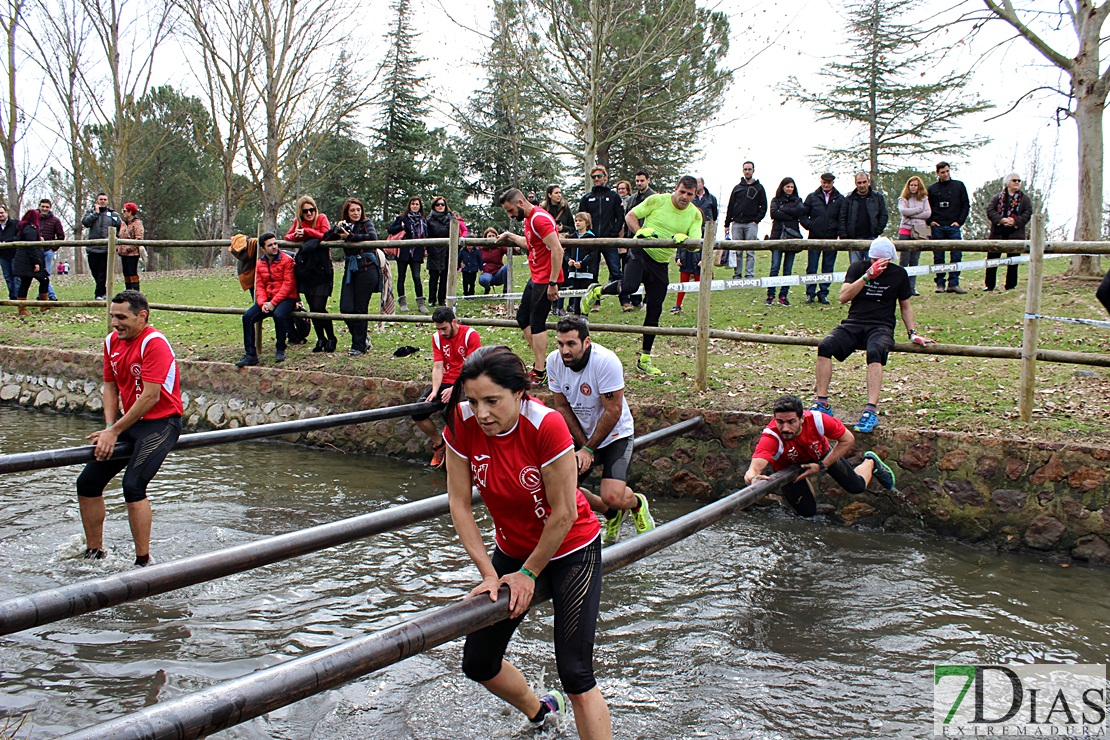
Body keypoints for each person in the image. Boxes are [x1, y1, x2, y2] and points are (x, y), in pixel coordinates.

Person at [442, 345, 610, 737]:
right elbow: (459, 503)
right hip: (513, 547)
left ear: (520, 393)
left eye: (493, 401)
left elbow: (564, 512)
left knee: (575, 673)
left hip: (572, 549)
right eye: (473, 400)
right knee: (478, 663)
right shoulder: (461, 423)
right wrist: (489, 574)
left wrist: (528, 574)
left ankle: (569, 701)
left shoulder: (545, 424)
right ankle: (541, 712)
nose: (482, 413)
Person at [76, 290, 182, 567]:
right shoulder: (111, 341)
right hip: (128, 423)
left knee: (133, 485)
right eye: (112, 316)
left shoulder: (154, 343)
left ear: (142, 316)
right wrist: (111, 427)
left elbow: (150, 396)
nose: (114, 323)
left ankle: (143, 561)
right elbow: (110, 387)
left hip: (161, 422)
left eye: (121, 317)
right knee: (87, 483)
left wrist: (114, 431)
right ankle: (94, 552)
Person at [548, 316, 654, 545]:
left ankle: (636, 504)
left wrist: (588, 448)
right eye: (560, 343)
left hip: (616, 433)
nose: (564, 351)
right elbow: (561, 407)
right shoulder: (553, 362)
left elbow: (613, 411)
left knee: (613, 496)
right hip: (581, 433)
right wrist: (582, 444)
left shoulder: (606, 361)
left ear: (586, 342)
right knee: (558, 489)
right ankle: (610, 514)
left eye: (571, 344)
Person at [583, 175, 703, 376]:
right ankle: (597, 291)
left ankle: (645, 358)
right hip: (641, 251)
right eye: (682, 192)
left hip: (661, 262)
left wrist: (687, 241)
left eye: (689, 194)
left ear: (694, 194)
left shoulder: (694, 214)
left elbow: (696, 241)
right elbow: (630, 215)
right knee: (629, 287)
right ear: (675, 188)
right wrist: (640, 231)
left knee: (655, 309)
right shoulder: (658, 200)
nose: (684, 197)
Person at [812, 237, 933, 434]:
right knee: (825, 346)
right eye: (874, 259)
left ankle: (870, 409)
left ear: (890, 259)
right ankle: (822, 403)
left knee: (875, 351)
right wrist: (867, 276)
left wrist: (913, 334)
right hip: (854, 323)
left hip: (881, 326)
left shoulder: (899, 274)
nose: (878, 264)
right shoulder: (858, 268)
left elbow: (905, 306)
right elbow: (843, 297)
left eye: (882, 261)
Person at [744, 394, 896, 517]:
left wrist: (822, 465)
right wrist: (754, 480)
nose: (785, 428)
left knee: (857, 487)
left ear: (802, 418)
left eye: (791, 422)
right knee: (807, 512)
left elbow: (847, 439)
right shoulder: (771, 436)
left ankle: (870, 462)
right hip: (789, 467)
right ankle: (804, 480)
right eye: (780, 422)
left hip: (821, 455)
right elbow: (752, 471)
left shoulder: (818, 420)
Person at [498, 188, 564, 384]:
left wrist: (553, 283)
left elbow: (558, 250)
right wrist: (509, 235)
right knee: (522, 317)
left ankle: (540, 370)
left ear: (519, 203)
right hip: (536, 276)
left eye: (510, 211)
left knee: (537, 322)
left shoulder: (539, 219)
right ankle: (541, 363)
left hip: (546, 278)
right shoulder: (529, 219)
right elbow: (531, 244)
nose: (510, 215)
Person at [414, 306, 481, 468]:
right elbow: (438, 367)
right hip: (447, 381)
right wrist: (435, 390)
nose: (442, 333)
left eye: (444, 328)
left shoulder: (470, 335)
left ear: (454, 322)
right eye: (438, 329)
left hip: (467, 381)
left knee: (449, 413)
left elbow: (472, 368)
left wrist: (455, 389)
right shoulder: (437, 338)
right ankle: (439, 444)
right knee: (418, 411)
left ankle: (461, 451)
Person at [236, 233, 298, 367]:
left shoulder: (287, 261)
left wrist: (273, 303)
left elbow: (288, 285)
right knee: (247, 317)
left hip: (287, 298)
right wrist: (263, 303)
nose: (274, 247)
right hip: (267, 300)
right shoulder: (260, 263)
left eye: (275, 243)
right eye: (270, 245)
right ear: (263, 248)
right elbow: (259, 285)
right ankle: (251, 355)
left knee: (279, 315)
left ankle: (280, 348)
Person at [285, 195, 336, 352]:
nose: (309, 213)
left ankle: (331, 338)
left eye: (311, 209)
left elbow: (325, 235)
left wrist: (307, 231)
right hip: (306, 269)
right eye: (305, 211)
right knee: (313, 308)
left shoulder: (321, 219)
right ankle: (320, 339)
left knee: (320, 307)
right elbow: (287, 236)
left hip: (322, 270)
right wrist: (296, 235)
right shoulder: (298, 223)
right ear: (300, 212)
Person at [334, 198, 382, 357]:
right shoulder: (344, 226)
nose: (355, 213)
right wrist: (337, 231)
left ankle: (358, 346)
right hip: (350, 270)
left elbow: (372, 237)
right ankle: (362, 338)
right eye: (352, 210)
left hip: (367, 269)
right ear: (347, 212)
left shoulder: (366, 223)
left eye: (358, 210)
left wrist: (350, 236)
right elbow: (329, 238)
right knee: (346, 308)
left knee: (360, 308)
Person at [578, 165, 624, 305]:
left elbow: (620, 216)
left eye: (599, 176)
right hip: (592, 240)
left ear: (605, 177)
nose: (596, 179)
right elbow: (582, 217)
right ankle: (595, 302)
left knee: (616, 270)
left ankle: (624, 301)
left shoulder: (614, 196)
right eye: (594, 177)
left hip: (609, 240)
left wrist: (614, 232)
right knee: (593, 273)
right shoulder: (587, 198)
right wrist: (587, 235)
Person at [926, 161, 970, 294]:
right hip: (938, 227)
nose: (946, 174)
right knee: (939, 256)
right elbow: (926, 207)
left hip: (953, 226)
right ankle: (940, 283)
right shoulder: (932, 189)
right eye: (942, 172)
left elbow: (965, 205)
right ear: (937, 173)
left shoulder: (959, 186)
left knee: (956, 254)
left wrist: (959, 222)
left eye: (947, 171)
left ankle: (954, 283)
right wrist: (931, 221)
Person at [985, 173, 1032, 292]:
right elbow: (990, 210)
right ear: (1007, 183)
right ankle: (989, 285)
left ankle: (1010, 286)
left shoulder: (1024, 199)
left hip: (1015, 234)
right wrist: (1001, 220)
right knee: (992, 260)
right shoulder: (997, 198)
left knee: (1013, 261)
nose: (1017, 182)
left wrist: (1015, 221)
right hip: (998, 233)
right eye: (1014, 180)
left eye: (1019, 180)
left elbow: (1027, 213)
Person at [800, 173, 843, 305]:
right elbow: (803, 214)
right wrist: (810, 226)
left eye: (828, 182)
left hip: (831, 237)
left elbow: (842, 217)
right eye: (824, 182)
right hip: (815, 237)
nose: (826, 184)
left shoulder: (840, 198)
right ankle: (810, 293)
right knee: (812, 266)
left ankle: (823, 293)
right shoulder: (812, 197)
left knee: (828, 266)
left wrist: (838, 231)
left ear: (832, 183)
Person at [724, 161, 767, 279]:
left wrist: (756, 220)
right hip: (737, 223)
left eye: (749, 169)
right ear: (743, 171)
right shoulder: (737, 188)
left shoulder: (759, 188)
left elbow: (763, 206)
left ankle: (749, 275)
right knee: (737, 251)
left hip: (751, 224)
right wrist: (727, 224)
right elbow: (731, 205)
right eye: (745, 169)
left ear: (753, 171)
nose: (747, 171)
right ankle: (737, 274)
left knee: (750, 251)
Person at [387, 196, 430, 314]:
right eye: (413, 204)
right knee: (402, 277)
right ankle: (402, 302)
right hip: (403, 251)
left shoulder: (423, 220)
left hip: (417, 252)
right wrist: (401, 226)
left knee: (417, 277)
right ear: (409, 205)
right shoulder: (402, 218)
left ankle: (421, 303)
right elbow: (390, 230)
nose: (415, 206)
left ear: (420, 206)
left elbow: (427, 235)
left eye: (417, 204)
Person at [766, 177, 805, 306]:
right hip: (777, 236)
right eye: (787, 186)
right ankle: (770, 295)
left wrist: (783, 211)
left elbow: (800, 211)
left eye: (792, 187)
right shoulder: (775, 200)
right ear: (782, 187)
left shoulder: (798, 200)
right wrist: (790, 213)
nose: (789, 189)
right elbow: (774, 213)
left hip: (792, 237)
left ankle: (783, 295)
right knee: (775, 267)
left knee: (787, 269)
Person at [839, 172, 888, 263]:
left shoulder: (878, 197)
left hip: (872, 239)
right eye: (859, 182)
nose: (862, 185)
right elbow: (842, 217)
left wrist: (878, 231)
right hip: (854, 239)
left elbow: (883, 215)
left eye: (864, 182)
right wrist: (844, 235)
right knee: (855, 267)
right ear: (855, 183)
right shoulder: (849, 199)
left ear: (868, 182)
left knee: (872, 268)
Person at [81, 193, 121, 300]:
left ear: (107, 201)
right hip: (92, 248)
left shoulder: (113, 214)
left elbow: (120, 226)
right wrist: (96, 214)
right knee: (95, 271)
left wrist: (116, 239)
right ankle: (102, 291)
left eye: (104, 199)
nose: (103, 201)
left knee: (103, 272)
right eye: (101, 199)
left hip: (106, 249)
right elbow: (85, 223)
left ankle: (98, 294)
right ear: (97, 201)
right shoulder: (90, 212)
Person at [896, 176, 931, 296]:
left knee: (914, 260)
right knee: (904, 260)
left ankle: (912, 288)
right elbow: (903, 211)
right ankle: (901, 287)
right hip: (905, 229)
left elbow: (927, 213)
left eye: (915, 185)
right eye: (911, 185)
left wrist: (912, 214)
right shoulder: (903, 199)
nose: (913, 187)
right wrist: (918, 210)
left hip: (920, 229)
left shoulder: (924, 198)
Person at [13, 209, 50, 316]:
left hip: (25, 261)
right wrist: (36, 262)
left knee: (26, 283)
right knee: (43, 280)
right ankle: (40, 305)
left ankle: (23, 308)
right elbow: (31, 247)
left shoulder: (23, 227)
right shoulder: (30, 228)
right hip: (28, 262)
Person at [564, 212, 598, 315]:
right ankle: (576, 315)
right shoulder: (571, 237)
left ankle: (584, 315)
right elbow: (566, 252)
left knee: (584, 295)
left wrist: (582, 263)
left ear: (587, 223)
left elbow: (593, 254)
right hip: (573, 272)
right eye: (576, 221)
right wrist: (569, 260)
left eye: (580, 221)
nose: (577, 223)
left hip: (586, 272)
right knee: (575, 295)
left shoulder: (591, 237)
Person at [425, 196, 454, 308]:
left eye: (442, 204)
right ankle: (432, 299)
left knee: (445, 277)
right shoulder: (429, 220)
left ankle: (442, 299)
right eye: (438, 204)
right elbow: (427, 236)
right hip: (434, 250)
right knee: (434, 276)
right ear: (434, 206)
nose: (440, 206)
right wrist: (428, 249)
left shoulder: (450, 218)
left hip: (447, 251)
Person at [38, 199, 65, 301]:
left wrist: (52, 248)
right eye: (43, 206)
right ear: (39, 206)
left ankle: (51, 296)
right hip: (35, 251)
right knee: (38, 275)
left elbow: (61, 236)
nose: (44, 209)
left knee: (45, 275)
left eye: (47, 207)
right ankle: (43, 295)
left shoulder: (55, 220)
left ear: (50, 208)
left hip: (47, 251)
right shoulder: (35, 219)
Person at [116, 203, 145, 293]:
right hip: (123, 253)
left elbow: (139, 238)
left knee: (132, 273)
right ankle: (128, 291)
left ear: (130, 212)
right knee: (126, 273)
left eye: (124, 211)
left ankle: (136, 291)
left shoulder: (137, 224)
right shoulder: (124, 224)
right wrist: (118, 247)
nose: (123, 213)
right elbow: (119, 235)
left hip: (132, 253)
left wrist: (129, 248)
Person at [479, 226, 509, 294]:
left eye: (493, 236)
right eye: (489, 236)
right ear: (486, 237)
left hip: (498, 272)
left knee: (507, 267)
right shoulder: (481, 248)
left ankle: (506, 291)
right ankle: (487, 288)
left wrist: (515, 247)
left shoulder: (500, 247)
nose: (491, 237)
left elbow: (509, 250)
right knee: (484, 280)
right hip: (486, 272)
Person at [228, 234, 258, 300]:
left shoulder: (240, 253)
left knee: (256, 299)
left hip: (245, 274)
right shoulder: (253, 245)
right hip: (253, 276)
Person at [0, 206, 18, 300]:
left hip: (15, 254)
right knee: (7, 277)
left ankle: (19, 297)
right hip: (2, 255)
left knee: (16, 276)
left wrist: (7, 242)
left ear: (6, 212)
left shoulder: (15, 224)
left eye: (2, 212)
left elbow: (19, 237)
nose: (1, 215)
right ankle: (12, 296)